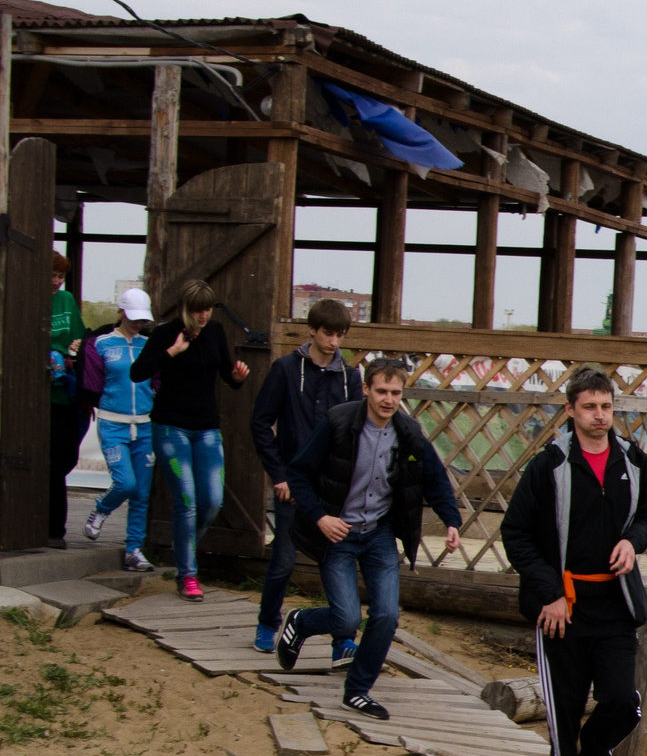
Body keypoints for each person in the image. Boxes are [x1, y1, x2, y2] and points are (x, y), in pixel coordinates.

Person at [497, 367, 647, 756]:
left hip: (615, 603)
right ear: (569, 410)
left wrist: (634, 541)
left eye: (606, 407)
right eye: (589, 407)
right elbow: (516, 533)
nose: (599, 416)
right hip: (562, 606)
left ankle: (594, 754)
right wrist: (548, 591)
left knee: (622, 701)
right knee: (565, 705)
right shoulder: (549, 464)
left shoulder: (632, 460)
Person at [274, 358, 461, 720]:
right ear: (366, 390)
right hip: (338, 534)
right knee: (345, 621)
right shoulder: (338, 422)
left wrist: (451, 522)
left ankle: (357, 691)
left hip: (378, 534)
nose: (388, 399)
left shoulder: (409, 432)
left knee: (386, 616)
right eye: (381, 391)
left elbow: (435, 480)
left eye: (395, 393)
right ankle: (302, 621)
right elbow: (298, 472)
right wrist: (321, 517)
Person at [249, 300, 363, 656]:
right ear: (312, 330)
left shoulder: (350, 376)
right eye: (328, 333)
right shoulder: (285, 369)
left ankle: (342, 639)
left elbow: (357, 430)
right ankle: (268, 622)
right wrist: (278, 475)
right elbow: (260, 424)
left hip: (334, 488)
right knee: (283, 558)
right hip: (292, 485)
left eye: (340, 334)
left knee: (337, 560)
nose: (334, 341)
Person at [132, 278, 252, 599]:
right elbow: (137, 372)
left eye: (208, 309)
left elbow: (227, 374)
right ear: (185, 308)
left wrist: (237, 376)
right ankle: (188, 575)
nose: (204, 315)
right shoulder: (163, 334)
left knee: (212, 501)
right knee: (186, 501)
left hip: (206, 427)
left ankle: (185, 549)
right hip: (171, 427)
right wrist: (171, 351)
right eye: (198, 309)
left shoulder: (214, 332)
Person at [78, 289, 159, 571]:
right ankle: (101, 508)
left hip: (145, 425)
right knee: (126, 483)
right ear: (121, 312)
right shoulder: (99, 345)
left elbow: (158, 382)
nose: (138, 324)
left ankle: (133, 550)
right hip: (113, 422)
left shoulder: (150, 345)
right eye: (133, 318)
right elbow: (91, 384)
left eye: (142, 319)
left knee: (141, 492)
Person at [43, 254, 91, 549]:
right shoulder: (27, 296)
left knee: (63, 459)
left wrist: (75, 349)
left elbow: (79, 338)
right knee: (41, 461)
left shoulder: (66, 300)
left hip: (64, 395)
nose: (56, 281)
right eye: (52, 274)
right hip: (36, 397)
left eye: (60, 276)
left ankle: (53, 525)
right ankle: (52, 529)